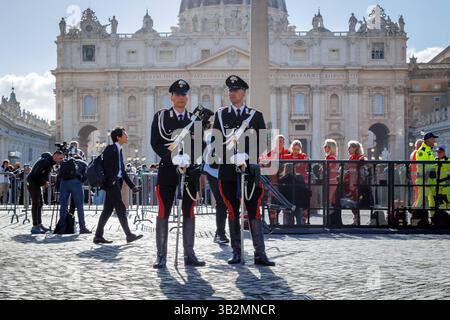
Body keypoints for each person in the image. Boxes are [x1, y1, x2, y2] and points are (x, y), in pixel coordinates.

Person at [213, 75, 275, 266]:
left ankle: (260, 253)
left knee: (253, 209)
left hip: (249, 171)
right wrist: (232, 157)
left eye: (236, 90)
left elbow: (264, 141)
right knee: (232, 209)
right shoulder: (221, 115)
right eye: (230, 90)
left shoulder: (255, 116)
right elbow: (216, 143)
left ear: (244, 92)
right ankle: (237, 252)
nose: (232, 93)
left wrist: (247, 156)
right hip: (228, 171)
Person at [151, 79, 205, 269]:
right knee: (164, 211)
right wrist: (172, 157)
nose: (181, 97)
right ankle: (161, 255)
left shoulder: (195, 119)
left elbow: (201, 145)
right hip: (168, 170)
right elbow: (156, 142)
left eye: (184, 94)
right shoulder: (161, 117)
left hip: (189, 172)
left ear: (187, 97)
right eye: (178, 94)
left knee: (189, 211)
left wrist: (190, 159)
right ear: (171, 97)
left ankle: (189, 254)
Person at [93, 128, 143, 244]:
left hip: (115, 183)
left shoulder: (119, 150)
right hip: (112, 184)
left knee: (107, 210)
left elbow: (122, 171)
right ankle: (129, 235)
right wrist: (112, 180)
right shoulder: (110, 149)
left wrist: (132, 186)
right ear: (118, 137)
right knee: (121, 208)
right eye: (125, 134)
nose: (127, 136)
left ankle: (98, 236)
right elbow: (107, 167)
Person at [27, 151, 65, 234]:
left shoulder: (48, 162)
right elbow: (36, 174)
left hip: (36, 183)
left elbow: (42, 174)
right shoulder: (45, 162)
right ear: (55, 156)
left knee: (40, 203)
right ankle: (35, 226)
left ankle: (39, 224)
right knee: (36, 203)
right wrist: (44, 182)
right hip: (33, 183)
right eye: (60, 158)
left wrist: (45, 181)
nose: (61, 160)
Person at [203, 131, 229, 245]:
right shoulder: (210, 136)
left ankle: (221, 232)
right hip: (213, 171)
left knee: (225, 202)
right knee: (221, 202)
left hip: (225, 171)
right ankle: (220, 233)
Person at [55, 154, 90, 235]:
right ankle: (82, 228)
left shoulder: (66, 162)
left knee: (63, 206)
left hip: (64, 183)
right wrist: (81, 181)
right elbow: (87, 173)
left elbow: (59, 173)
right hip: (76, 183)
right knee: (79, 206)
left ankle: (62, 228)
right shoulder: (83, 162)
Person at [282, 140, 309, 225]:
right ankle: (287, 224)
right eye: (294, 149)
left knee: (299, 204)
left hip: (299, 184)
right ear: (291, 148)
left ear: (300, 149)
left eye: (298, 149)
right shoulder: (286, 157)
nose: (296, 151)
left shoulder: (303, 156)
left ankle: (301, 223)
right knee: (288, 203)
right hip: (288, 184)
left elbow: (303, 167)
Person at [414, 133, 438, 213]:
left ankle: (433, 216)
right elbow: (422, 165)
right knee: (422, 198)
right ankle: (415, 215)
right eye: (433, 139)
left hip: (430, 178)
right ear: (428, 140)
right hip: (425, 178)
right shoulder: (422, 151)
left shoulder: (429, 150)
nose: (434, 140)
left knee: (432, 199)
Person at [344, 141, 367, 226]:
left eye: (350, 147)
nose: (348, 149)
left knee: (355, 200)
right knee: (351, 201)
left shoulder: (359, 157)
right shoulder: (351, 157)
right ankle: (356, 218)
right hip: (349, 182)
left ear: (355, 148)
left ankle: (357, 219)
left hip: (355, 182)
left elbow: (363, 163)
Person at [410, 139, 424, 204]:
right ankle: (417, 205)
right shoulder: (419, 152)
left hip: (414, 174)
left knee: (416, 190)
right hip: (419, 174)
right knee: (419, 191)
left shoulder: (412, 153)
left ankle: (415, 203)